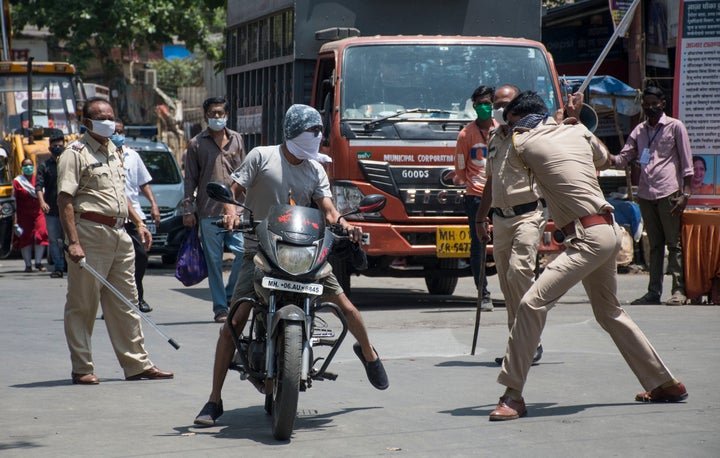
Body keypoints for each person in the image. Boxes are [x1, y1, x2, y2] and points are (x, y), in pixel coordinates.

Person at [487, 91, 687, 422]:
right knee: (610, 312)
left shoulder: (523, 144)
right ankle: (664, 382)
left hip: (586, 239)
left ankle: (513, 395)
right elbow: (604, 158)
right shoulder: (578, 131)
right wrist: (573, 120)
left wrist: (519, 129)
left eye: (513, 124)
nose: (512, 131)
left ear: (521, 123)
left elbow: (507, 170)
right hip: (607, 231)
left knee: (531, 303)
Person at [194, 104, 389, 426]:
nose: (316, 138)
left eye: (318, 132)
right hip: (259, 250)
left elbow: (327, 209)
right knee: (234, 321)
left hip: (302, 251)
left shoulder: (315, 169)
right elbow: (234, 190)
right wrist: (230, 211)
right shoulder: (261, 156)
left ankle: (369, 353)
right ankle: (214, 399)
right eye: (310, 132)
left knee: (348, 309)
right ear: (292, 133)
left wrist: (346, 224)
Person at [57, 97, 173, 385]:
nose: (109, 122)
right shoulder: (75, 153)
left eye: (111, 116)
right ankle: (82, 367)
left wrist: (138, 222)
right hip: (90, 233)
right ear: (87, 122)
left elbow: (121, 195)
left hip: (120, 234)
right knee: (83, 303)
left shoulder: (115, 150)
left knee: (126, 301)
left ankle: (137, 364)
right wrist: (73, 241)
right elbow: (65, 200)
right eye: (102, 117)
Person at [610, 86, 693, 306]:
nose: (649, 108)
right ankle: (653, 292)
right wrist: (600, 152)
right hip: (646, 194)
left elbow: (687, 164)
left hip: (669, 193)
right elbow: (622, 158)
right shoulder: (639, 130)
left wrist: (686, 194)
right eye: (646, 104)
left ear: (663, 104)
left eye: (653, 103)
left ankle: (678, 291)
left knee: (673, 244)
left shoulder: (676, 127)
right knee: (655, 246)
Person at [183, 96, 246, 323]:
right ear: (206, 115)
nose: (217, 117)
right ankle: (220, 307)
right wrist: (188, 210)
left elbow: (244, 174)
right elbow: (190, 179)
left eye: (220, 113)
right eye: (212, 113)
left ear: (227, 115)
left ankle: (230, 294)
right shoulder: (196, 143)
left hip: (236, 212)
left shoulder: (237, 139)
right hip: (209, 212)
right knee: (214, 261)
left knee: (244, 252)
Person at [454, 85, 496, 311]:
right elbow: (460, 166)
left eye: (487, 103)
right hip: (476, 197)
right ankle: (483, 293)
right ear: (474, 107)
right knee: (478, 245)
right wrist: (465, 181)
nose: (484, 107)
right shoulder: (465, 134)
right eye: (480, 104)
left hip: (499, 197)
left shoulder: (502, 130)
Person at [112, 120, 161, 313]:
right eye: (114, 131)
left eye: (120, 131)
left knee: (140, 256)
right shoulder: (102, 156)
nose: (117, 135)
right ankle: (113, 302)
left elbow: (144, 184)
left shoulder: (132, 156)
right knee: (114, 262)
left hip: (134, 218)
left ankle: (138, 297)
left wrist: (154, 205)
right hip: (111, 217)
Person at [37, 134, 67, 278]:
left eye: (59, 145)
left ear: (64, 145)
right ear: (49, 148)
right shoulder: (44, 166)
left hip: (69, 210)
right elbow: (39, 186)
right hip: (52, 211)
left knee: (70, 239)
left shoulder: (69, 164)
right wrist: (42, 202)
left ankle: (70, 266)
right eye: (54, 146)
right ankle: (59, 267)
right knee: (54, 240)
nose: (57, 148)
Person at [13, 157, 49, 272]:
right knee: (25, 238)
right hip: (23, 214)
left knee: (42, 234)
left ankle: (38, 263)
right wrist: (14, 221)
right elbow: (13, 200)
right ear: (22, 168)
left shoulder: (38, 179)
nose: (28, 167)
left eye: (30, 165)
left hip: (38, 212)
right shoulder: (17, 182)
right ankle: (28, 265)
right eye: (26, 166)